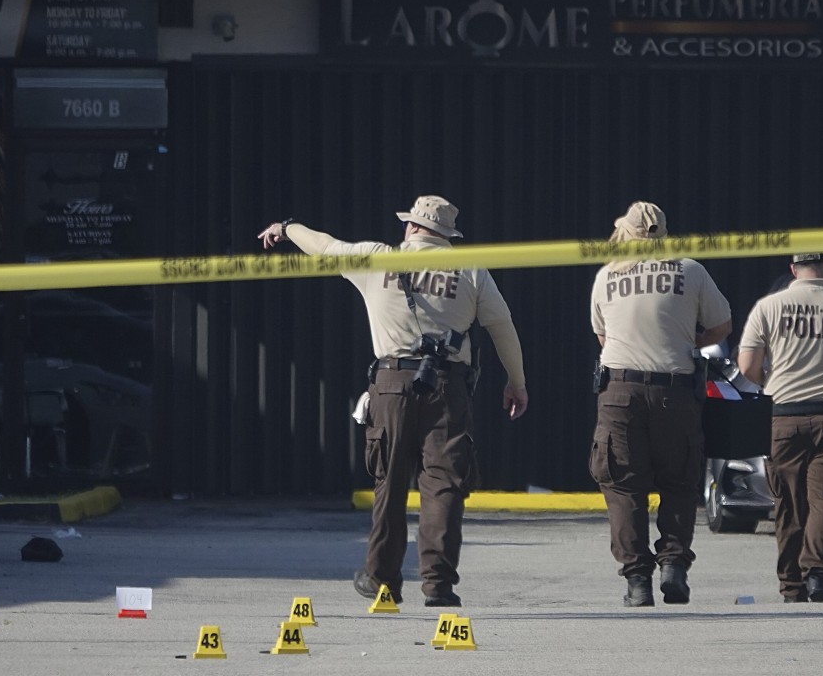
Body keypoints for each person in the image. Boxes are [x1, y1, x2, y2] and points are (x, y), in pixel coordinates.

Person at [258, 195, 528, 607]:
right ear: (446, 235)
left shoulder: (377, 259)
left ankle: (382, 580)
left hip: (390, 384)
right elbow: (501, 326)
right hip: (448, 387)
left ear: (412, 227)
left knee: (390, 483)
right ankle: (438, 586)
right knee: (443, 487)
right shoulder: (470, 268)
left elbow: (324, 246)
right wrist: (517, 382)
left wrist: (287, 226)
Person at [589, 201, 732, 607]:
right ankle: (673, 567)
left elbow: (603, 337)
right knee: (680, 481)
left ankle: (637, 581)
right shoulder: (690, 270)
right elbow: (722, 325)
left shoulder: (607, 275)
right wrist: (688, 341)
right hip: (676, 391)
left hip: (620, 392)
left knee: (622, 485)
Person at [737, 253, 823, 603]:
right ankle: (817, 575)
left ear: (793, 269)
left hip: (782, 416)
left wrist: (773, 382)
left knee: (788, 504)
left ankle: (791, 585)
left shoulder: (768, 307)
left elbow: (747, 366)